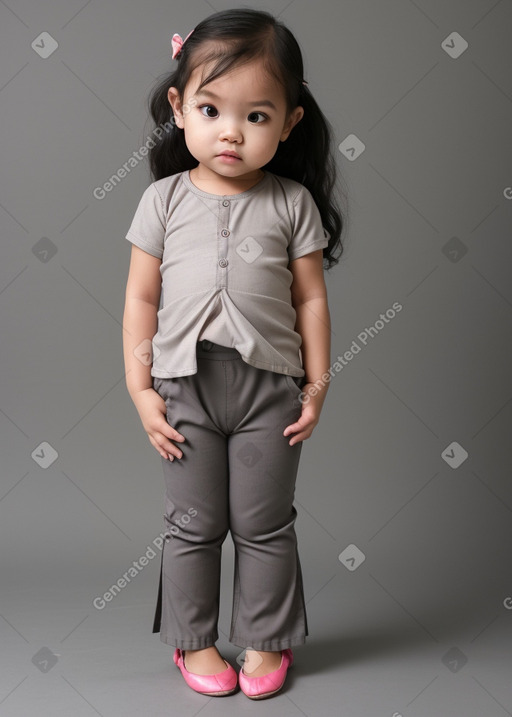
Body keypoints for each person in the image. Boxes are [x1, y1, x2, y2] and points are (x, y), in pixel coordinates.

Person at [122, 7, 345, 699]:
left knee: (265, 522)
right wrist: (141, 389)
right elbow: (140, 303)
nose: (231, 132)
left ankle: (267, 638)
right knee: (192, 525)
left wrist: (317, 383)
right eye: (213, 108)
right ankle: (194, 639)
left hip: (268, 391)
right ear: (179, 108)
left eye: (256, 115)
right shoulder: (161, 202)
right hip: (184, 387)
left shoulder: (292, 204)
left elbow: (310, 300)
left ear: (289, 123)